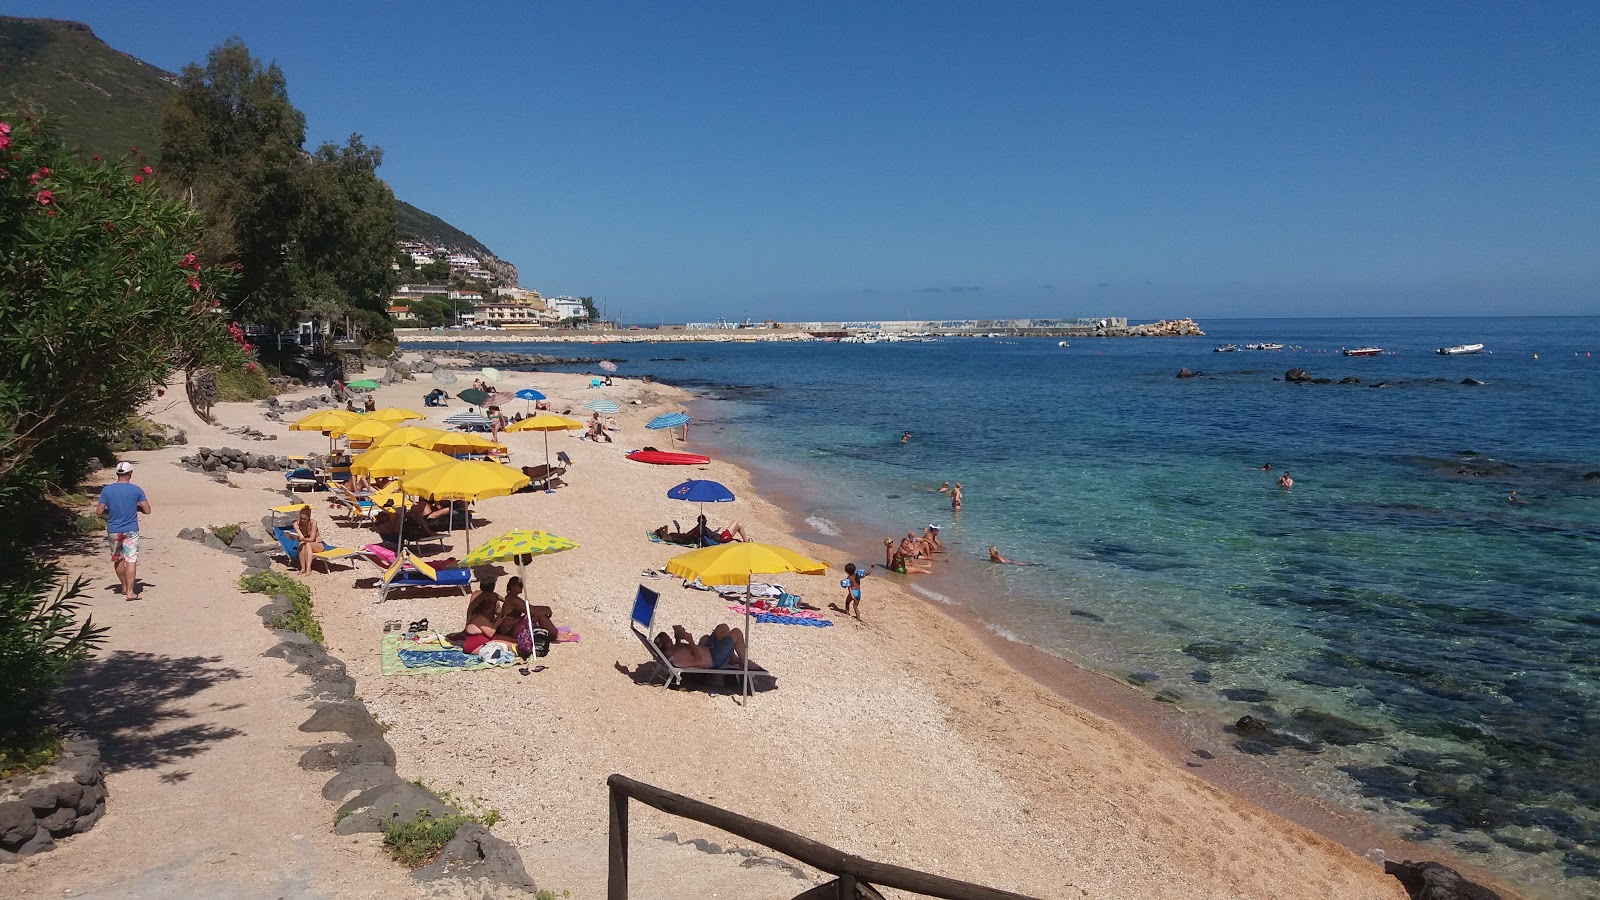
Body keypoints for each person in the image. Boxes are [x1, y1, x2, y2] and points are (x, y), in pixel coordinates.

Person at [96, 461, 150, 600]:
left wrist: (111, 510)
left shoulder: (107, 490)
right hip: (131, 529)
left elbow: (99, 511)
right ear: (130, 474)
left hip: (114, 529)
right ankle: (131, 592)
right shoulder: (136, 490)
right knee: (131, 560)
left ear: (117, 474)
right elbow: (147, 510)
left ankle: (124, 586)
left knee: (118, 559)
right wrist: (135, 508)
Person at [653, 623, 745, 670]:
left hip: (709, 649)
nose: (671, 640)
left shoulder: (671, 651)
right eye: (670, 640)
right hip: (714, 658)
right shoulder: (677, 659)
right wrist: (691, 641)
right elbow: (699, 661)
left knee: (723, 627)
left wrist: (678, 638)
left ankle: (731, 657)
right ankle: (744, 663)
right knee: (737, 632)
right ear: (668, 645)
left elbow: (680, 649)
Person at [459, 575, 503, 653]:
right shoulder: (492, 596)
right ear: (493, 587)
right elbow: (499, 610)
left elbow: (495, 595)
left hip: (471, 625)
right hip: (484, 626)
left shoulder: (475, 593)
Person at [290, 506, 326, 576]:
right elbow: (301, 536)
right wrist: (295, 537)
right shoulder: (296, 524)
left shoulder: (313, 523)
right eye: (301, 518)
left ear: (309, 518)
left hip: (318, 544)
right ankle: (303, 568)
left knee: (308, 544)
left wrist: (303, 539)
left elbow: (312, 539)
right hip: (305, 543)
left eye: (304, 519)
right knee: (302, 544)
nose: (302, 521)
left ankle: (308, 568)